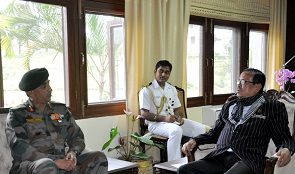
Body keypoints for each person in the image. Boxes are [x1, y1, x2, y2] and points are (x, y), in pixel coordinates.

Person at [179, 68, 295, 174]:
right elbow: (215, 133)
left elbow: (283, 137)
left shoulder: (272, 107)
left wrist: (286, 149)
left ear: (257, 87)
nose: (238, 85)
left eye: (244, 82)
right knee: (184, 170)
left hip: (248, 160)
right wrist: (194, 140)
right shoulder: (230, 105)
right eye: (238, 81)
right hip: (220, 157)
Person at [5, 68, 108, 174]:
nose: (49, 89)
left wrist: (73, 152)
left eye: (48, 84)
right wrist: (55, 161)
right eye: (44, 87)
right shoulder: (17, 115)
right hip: (30, 166)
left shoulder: (60, 109)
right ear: (30, 93)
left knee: (98, 157)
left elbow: (77, 136)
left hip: (61, 162)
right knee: (47, 165)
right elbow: (19, 149)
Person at [138, 60, 208, 161]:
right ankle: (174, 166)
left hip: (172, 122)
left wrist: (179, 118)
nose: (163, 74)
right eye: (160, 71)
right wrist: (164, 118)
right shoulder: (147, 90)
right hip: (156, 124)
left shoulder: (172, 89)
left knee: (200, 129)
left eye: (167, 72)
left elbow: (177, 109)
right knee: (176, 131)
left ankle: (195, 162)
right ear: (155, 72)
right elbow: (144, 114)